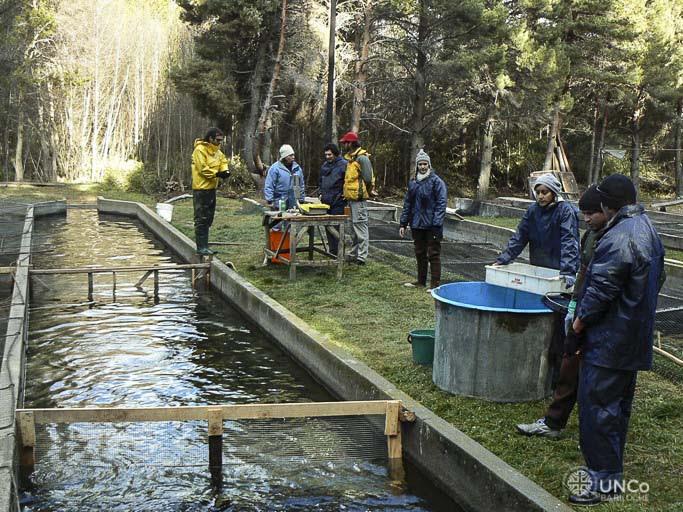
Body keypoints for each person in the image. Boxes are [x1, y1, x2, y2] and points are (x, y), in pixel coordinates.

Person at [569, 174, 665, 506]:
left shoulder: (619, 237)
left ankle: (603, 480)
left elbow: (599, 292)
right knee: (617, 409)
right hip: (632, 337)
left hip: (610, 340)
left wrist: (578, 325)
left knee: (597, 408)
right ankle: (611, 469)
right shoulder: (648, 228)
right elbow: (659, 277)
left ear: (609, 204)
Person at [516, 185, 607, 438]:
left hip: (603, 318)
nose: (586, 219)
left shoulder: (615, 238)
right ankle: (554, 422)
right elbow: (584, 271)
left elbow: (605, 285)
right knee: (569, 361)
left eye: (592, 213)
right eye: (584, 213)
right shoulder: (591, 235)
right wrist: (575, 306)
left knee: (599, 375)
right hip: (582, 307)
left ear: (607, 210)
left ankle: (598, 428)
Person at [494, 173, 580, 285]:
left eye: (545, 192)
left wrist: (567, 272)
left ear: (554, 193)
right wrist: (503, 260)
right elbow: (519, 237)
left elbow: (569, 242)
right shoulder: (533, 211)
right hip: (539, 267)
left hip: (560, 268)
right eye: (538, 192)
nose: (540, 196)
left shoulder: (565, 211)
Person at [398, 149, 447, 290]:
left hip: (432, 225)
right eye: (420, 164)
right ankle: (420, 281)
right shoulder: (413, 182)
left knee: (433, 254)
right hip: (416, 224)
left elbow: (441, 203)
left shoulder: (437, 182)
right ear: (417, 165)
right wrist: (403, 223)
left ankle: (435, 285)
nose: (423, 167)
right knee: (420, 253)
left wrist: (436, 224)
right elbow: (408, 203)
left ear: (429, 165)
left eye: (425, 164)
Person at [191, 127, 230, 256]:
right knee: (201, 219)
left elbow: (223, 160)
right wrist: (217, 174)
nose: (219, 142)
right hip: (201, 189)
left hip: (211, 189)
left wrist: (225, 171)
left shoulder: (217, 152)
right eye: (217, 140)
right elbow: (203, 169)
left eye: (221, 140)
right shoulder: (200, 150)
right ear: (210, 138)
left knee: (208, 218)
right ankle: (201, 247)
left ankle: (205, 246)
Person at [340, 131, 374, 265]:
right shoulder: (351, 159)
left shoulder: (362, 158)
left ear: (351, 143)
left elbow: (367, 178)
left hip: (359, 200)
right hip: (351, 199)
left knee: (360, 227)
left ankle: (361, 257)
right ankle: (354, 254)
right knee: (353, 228)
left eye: (346, 143)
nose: (344, 145)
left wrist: (367, 192)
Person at [318, 143, 347, 255]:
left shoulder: (344, 165)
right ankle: (332, 252)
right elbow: (320, 181)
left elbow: (348, 181)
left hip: (338, 202)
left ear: (335, 153)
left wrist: (344, 194)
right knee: (328, 228)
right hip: (325, 202)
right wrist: (320, 193)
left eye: (329, 154)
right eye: (326, 155)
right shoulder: (325, 166)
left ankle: (340, 253)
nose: (327, 157)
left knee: (337, 229)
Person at [264, 144, 305, 210]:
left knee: (292, 219)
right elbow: (269, 185)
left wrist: (301, 199)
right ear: (285, 156)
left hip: (294, 203)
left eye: (293, 155)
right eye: (291, 155)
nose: (293, 157)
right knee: (280, 220)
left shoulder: (297, 169)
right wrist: (269, 200)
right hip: (279, 203)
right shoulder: (275, 168)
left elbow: (300, 185)